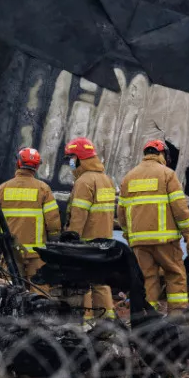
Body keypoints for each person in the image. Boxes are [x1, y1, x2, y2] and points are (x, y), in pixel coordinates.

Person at [118, 139, 189, 313]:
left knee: (147, 279)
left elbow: (121, 213)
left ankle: (146, 317)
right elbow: (180, 209)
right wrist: (188, 234)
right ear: (162, 155)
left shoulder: (129, 177)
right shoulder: (167, 174)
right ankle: (177, 316)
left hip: (139, 242)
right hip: (165, 240)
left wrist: (129, 236)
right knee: (175, 275)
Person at [64, 137, 117, 320]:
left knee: (83, 283)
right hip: (104, 241)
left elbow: (79, 215)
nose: (69, 162)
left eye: (71, 157)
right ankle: (108, 321)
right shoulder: (106, 180)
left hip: (86, 243)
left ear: (79, 158)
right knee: (101, 283)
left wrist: (71, 239)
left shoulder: (84, 182)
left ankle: (84, 321)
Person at [0, 147, 61, 291]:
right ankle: (40, 313)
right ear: (37, 167)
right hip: (37, 253)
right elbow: (53, 220)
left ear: (18, 163)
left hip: (12, 251)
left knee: (10, 289)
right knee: (39, 289)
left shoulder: (2, 189)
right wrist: (54, 243)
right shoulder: (43, 189)